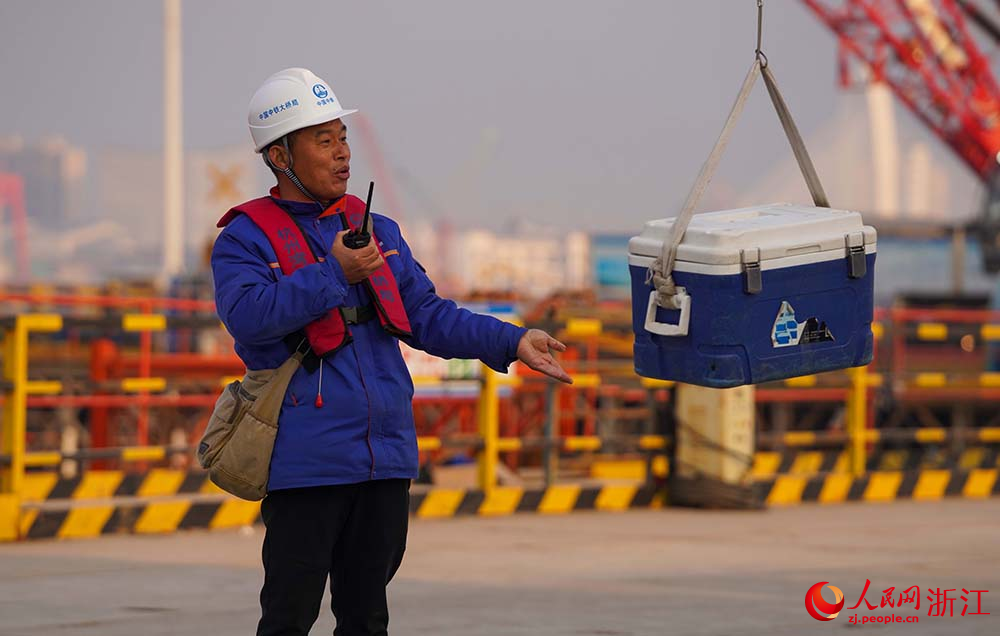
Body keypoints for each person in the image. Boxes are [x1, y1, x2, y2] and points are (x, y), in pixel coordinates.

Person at [211, 67, 572, 636]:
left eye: (343, 137)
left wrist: (513, 339)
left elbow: (427, 315)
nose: (342, 153)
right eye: (323, 140)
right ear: (280, 157)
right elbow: (248, 318)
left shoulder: (377, 228)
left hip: (384, 459)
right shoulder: (244, 238)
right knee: (288, 615)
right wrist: (334, 272)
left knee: (367, 616)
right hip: (306, 464)